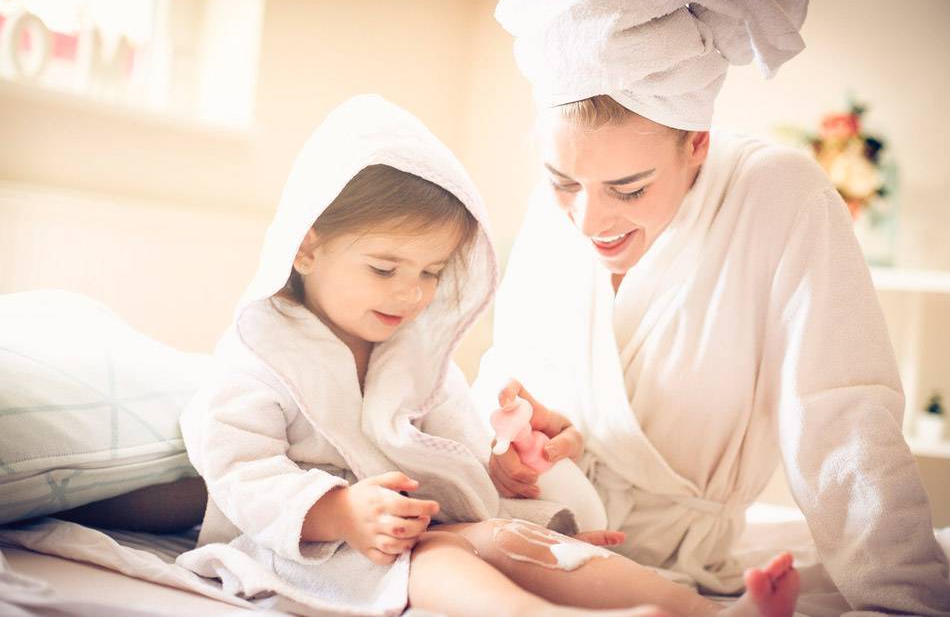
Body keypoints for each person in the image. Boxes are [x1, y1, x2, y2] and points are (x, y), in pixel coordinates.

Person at [174, 94, 801, 617]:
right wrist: (336, 512)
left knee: (516, 540)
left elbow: (455, 453)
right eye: (385, 268)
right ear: (306, 247)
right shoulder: (260, 353)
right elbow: (238, 468)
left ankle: (707, 612)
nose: (412, 294)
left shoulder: (415, 357)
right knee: (442, 559)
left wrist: (502, 472)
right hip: (314, 547)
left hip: (424, 529)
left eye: (431, 272)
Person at [476, 0, 950, 615]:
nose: (589, 221)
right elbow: (506, 372)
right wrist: (511, 447)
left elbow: (841, 420)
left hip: (687, 568)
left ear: (697, 144)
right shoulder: (551, 215)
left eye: (629, 189)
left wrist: (903, 600)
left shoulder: (777, 196)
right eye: (563, 182)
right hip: (547, 543)